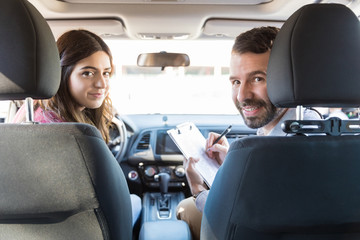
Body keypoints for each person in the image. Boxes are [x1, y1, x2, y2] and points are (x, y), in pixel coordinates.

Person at [176, 26, 322, 240]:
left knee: (185, 208)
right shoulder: (308, 124)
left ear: (288, 78)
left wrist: (198, 190)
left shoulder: (291, 145)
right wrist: (232, 165)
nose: (242, 95)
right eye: (236, 82)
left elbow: (241, 218)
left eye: (257, 79)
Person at [13, 29, 141, 227]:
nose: (102, 83)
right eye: (87, 73)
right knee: (137, 202)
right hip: (84, 227)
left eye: (106, 73)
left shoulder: (32, 113)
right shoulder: (71, 137)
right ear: (62, 73)